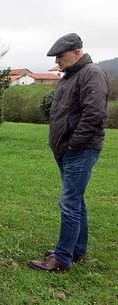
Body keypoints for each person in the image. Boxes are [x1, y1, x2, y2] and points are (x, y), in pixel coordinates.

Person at [29, 33, 108, 272]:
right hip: (67, 150)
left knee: (69, 203)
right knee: (76, 202)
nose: (58, 61)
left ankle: (62, 258)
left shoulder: (91, 74)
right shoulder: (70, 76)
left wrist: (74, 144)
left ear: (77, 52)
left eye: (61, 57)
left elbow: (94, 115)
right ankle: (77, 250)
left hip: (80, 150)